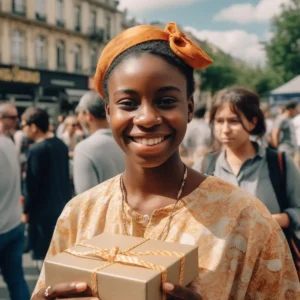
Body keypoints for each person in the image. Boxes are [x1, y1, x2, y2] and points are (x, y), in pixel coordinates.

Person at [32, 23, 299, 300]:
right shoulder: (79, 214)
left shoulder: (247, 221)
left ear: (190, 109)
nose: (147, 118)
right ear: (109, 113)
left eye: (166, 100)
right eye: (128, 103)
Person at [193, 87, 300, 276]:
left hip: (272, 269)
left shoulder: (279, 163)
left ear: (253, 122)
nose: (225, 129)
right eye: (219, 121)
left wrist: (278, 219)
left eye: (233, 121)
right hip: (220, 269)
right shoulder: (204, 166)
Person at [21, 108, 71, 267]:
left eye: (24, 125)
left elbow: (32, 185)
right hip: (62, 207)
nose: (22, 129)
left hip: (42, 213)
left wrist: (26, 210)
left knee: (44, 260)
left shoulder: (36, 150)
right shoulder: (61, 145)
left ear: (33, 126)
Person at [0, 103, 30, 300]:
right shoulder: (9, 143)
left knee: (16, 280)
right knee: (16, 280)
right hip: (13, 224)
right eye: (13, 117)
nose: (17, 121)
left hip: (4, 228)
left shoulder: (9, 143)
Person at [73, 91, 125, 194]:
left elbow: (86, 201)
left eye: (79, 113)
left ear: (87, 114)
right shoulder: (127, 141)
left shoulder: (83, 149)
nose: (78, 118)